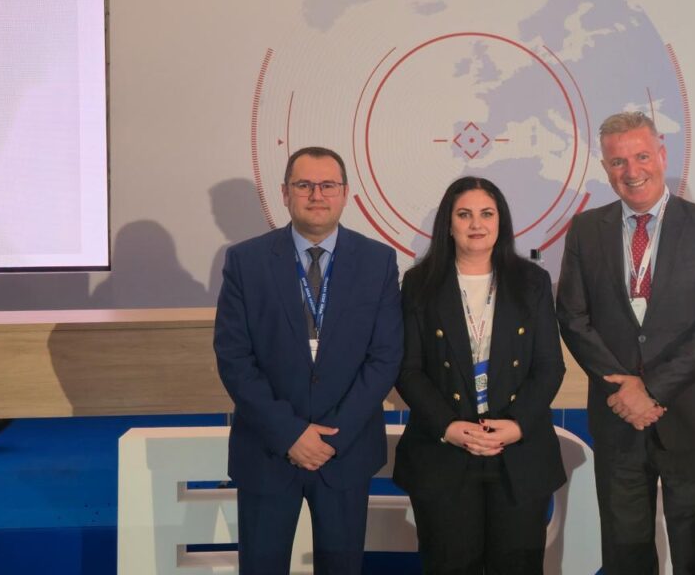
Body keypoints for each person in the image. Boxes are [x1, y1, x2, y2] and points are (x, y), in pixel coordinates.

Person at [556, 112, 695, 575]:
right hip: (618, 418)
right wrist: (625, 392)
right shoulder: (586, 229)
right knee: (624, 555)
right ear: (605, 168)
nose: (632, 171)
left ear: (662, 155)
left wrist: (652, 390)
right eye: (618, 161)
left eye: (641, 156)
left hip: (692, 418)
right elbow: (573, 319)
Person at [213, 146, 402, 575]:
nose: (317, 195)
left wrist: (332, 437)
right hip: (268, 450)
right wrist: (290, 433)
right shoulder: (245, 261)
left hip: (344, 452)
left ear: (345, 193)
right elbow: (234, 358)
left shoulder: (378, 261)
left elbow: (385, 357)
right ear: (284, 193)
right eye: (304, 185)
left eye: (327, 185)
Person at [394, 176, 566, 574]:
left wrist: (517, 425)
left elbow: (549, 366)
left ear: (501, 221)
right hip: (445, 453)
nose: (476, 224)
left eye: (487, 214)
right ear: (448, 223)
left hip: (518, 455)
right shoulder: (419, 284)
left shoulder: (532, 282)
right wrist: (448, 426)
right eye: (464, 214)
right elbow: (409, 369)